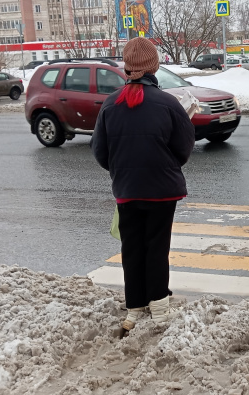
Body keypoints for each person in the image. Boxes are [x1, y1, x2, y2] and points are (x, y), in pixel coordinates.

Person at [92, 37, 195, 333]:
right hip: (163, 191)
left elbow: (101, 152)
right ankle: (159, 307)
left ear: (127, 68)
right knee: (157, 247)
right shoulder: (168, 104)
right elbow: (184, 149)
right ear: (154, 67)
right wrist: (164, 165)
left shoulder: (110, 105)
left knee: (132, 248)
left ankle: (134, 308)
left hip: (127, 190)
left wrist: (122, 172)